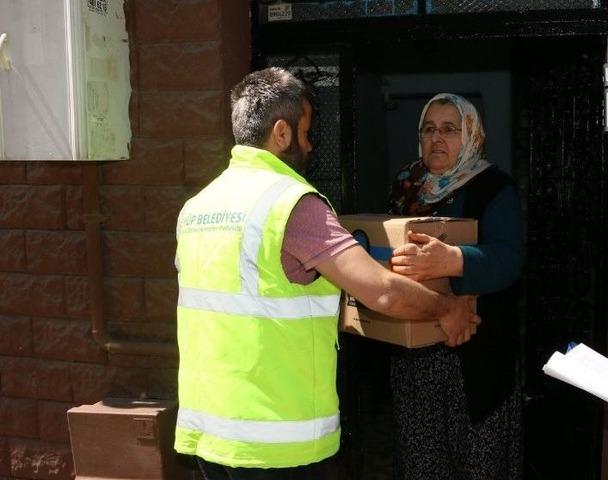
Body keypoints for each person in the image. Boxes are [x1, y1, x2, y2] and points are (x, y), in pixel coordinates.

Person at [173, 68, 480, 479]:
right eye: (305, 132)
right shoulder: (291, 205)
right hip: (276, 443)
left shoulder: (198, 207)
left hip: (212, 433)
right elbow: (383, 292)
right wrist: (447, 309)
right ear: (281, 133)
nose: (311, 144)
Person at [387, 93, 525, 479]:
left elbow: (509, 259)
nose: (437, 139)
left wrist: (452, 260)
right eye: (429, 129)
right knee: (422, 464)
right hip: (416, 359)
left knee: (479, 465)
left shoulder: (494, 188)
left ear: (471, 136)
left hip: (477, 355)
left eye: (450, 129)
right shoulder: (407, 186)